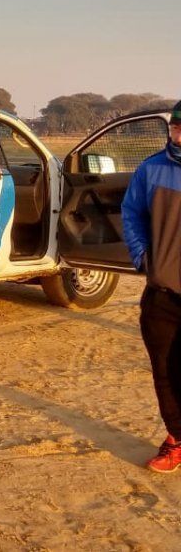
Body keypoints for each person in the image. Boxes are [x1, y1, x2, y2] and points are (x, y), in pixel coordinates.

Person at [124, 99, 181, 472]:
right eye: (176, 128)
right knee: (164, 371)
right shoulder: (151, 169)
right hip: (163, 292)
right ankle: (176, 439)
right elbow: (131, 213)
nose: (180, 136)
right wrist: (143, 257)